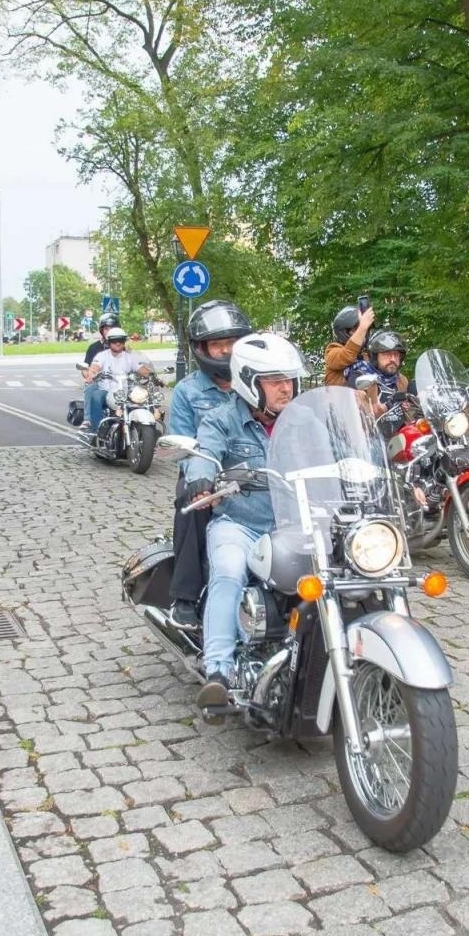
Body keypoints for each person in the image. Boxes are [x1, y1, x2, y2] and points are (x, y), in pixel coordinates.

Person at [181, 333, 307, 709]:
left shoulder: (302, 420)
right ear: (250, 383)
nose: (287, 388)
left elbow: (333, 448)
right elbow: (203, 452)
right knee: (230, 571)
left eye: (290, 379)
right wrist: (202, 478)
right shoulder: (222, 420)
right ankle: (219, 670)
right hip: (240, 523)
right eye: (275, 381)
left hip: (295, 526)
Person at [167, 300, 254, 626]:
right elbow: (184, 448)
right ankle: (185, 596)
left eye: (233, 343)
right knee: (192, 504)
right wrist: (201, 481)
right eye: (218, 344)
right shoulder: (188, 392)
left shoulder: (256, 383)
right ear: (201, 349)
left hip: (256, 471)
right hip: (209, 473)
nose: (227, 351)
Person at [83, 327, 144, 431]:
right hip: (106, 391)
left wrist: (152, 375)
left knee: (144, 398)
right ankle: (97, 430)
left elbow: (141, 369)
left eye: (120, 340)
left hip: (126, 391)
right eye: (114, 341)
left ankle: (142, 428)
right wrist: (91, 374)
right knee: (96, 397)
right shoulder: (102, 356)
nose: (118, 343)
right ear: (109, 342)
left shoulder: (130, 357)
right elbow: (95, 366)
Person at [324, 302, 376, 387]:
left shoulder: (366, 356)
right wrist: (362, 327)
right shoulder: (332, 351)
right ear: (344, 331)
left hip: (363, 400)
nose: (363, 333)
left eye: (365, 330)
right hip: (338, 399)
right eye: (356, 328)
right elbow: (347, 355)